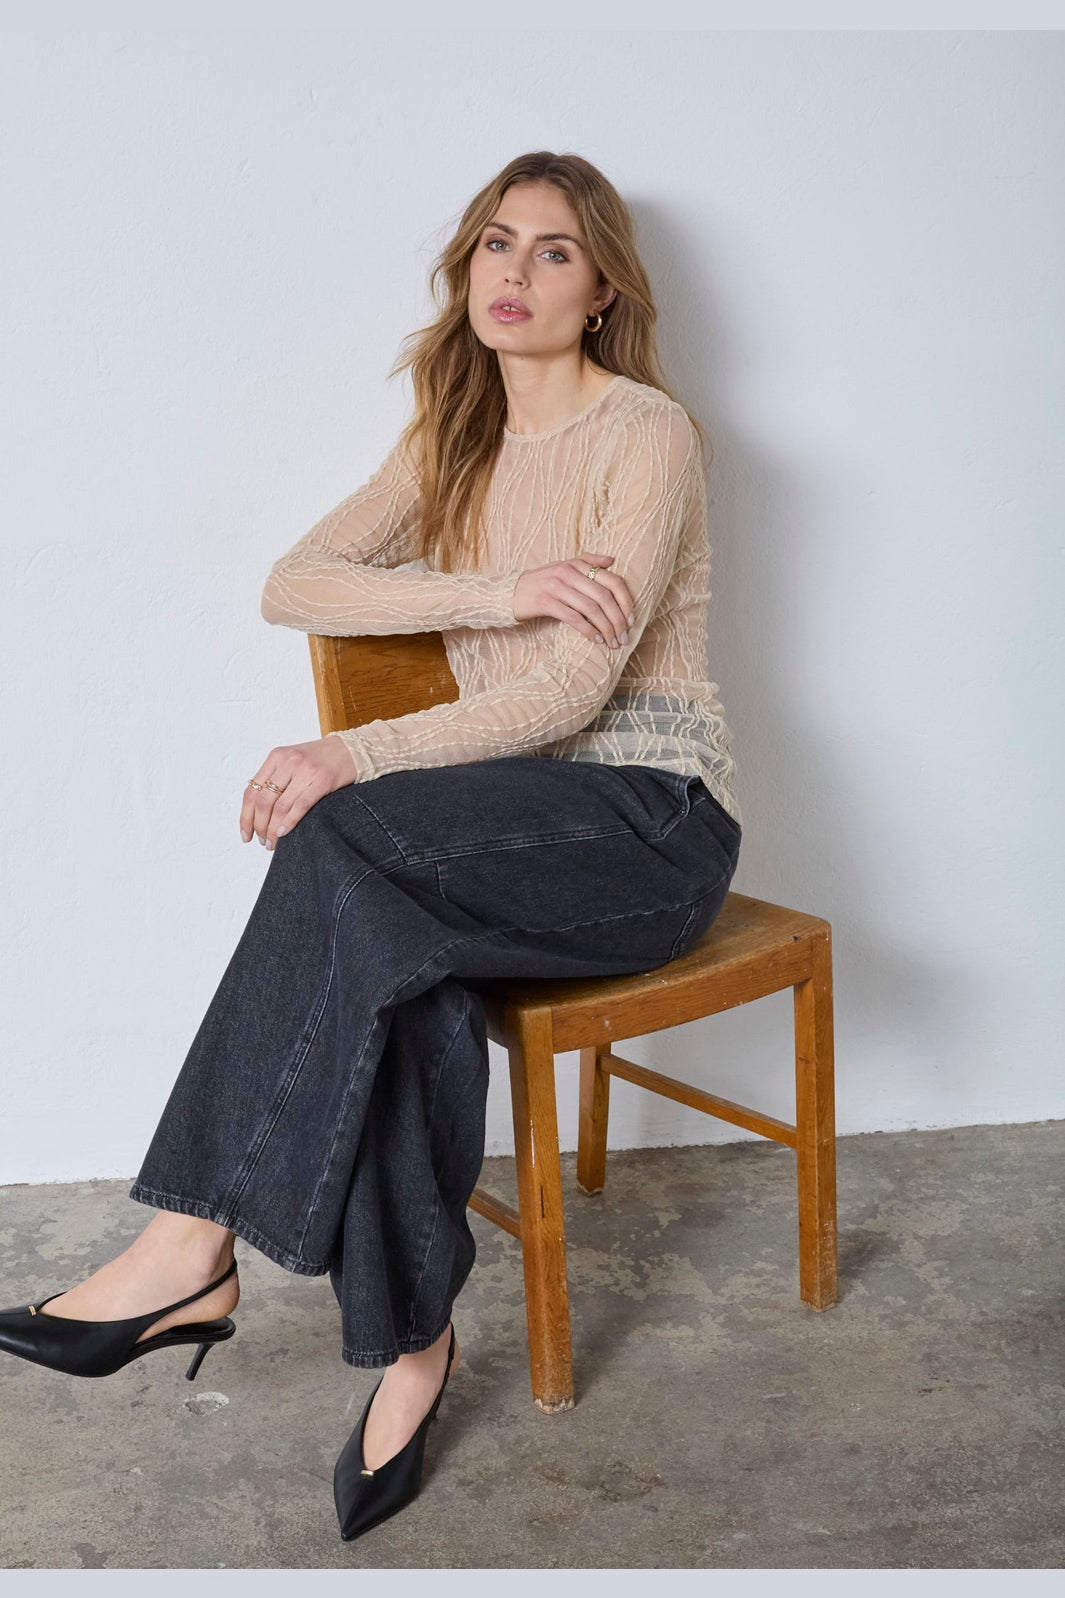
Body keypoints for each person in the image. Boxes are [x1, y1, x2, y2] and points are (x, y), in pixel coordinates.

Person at [0, 150, 742, 1543]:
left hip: (644, 825)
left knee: (341, 832)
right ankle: (411, 1341)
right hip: (496, 834)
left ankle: (190, 1247)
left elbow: (571, 694)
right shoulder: (449, 443)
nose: (516, 273)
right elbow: (296, 582)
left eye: (556, 252)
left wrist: (351, 752)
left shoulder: (644, 432)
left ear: (600, 292)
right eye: (497, 243)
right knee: (403, 964)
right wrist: (498, 587)